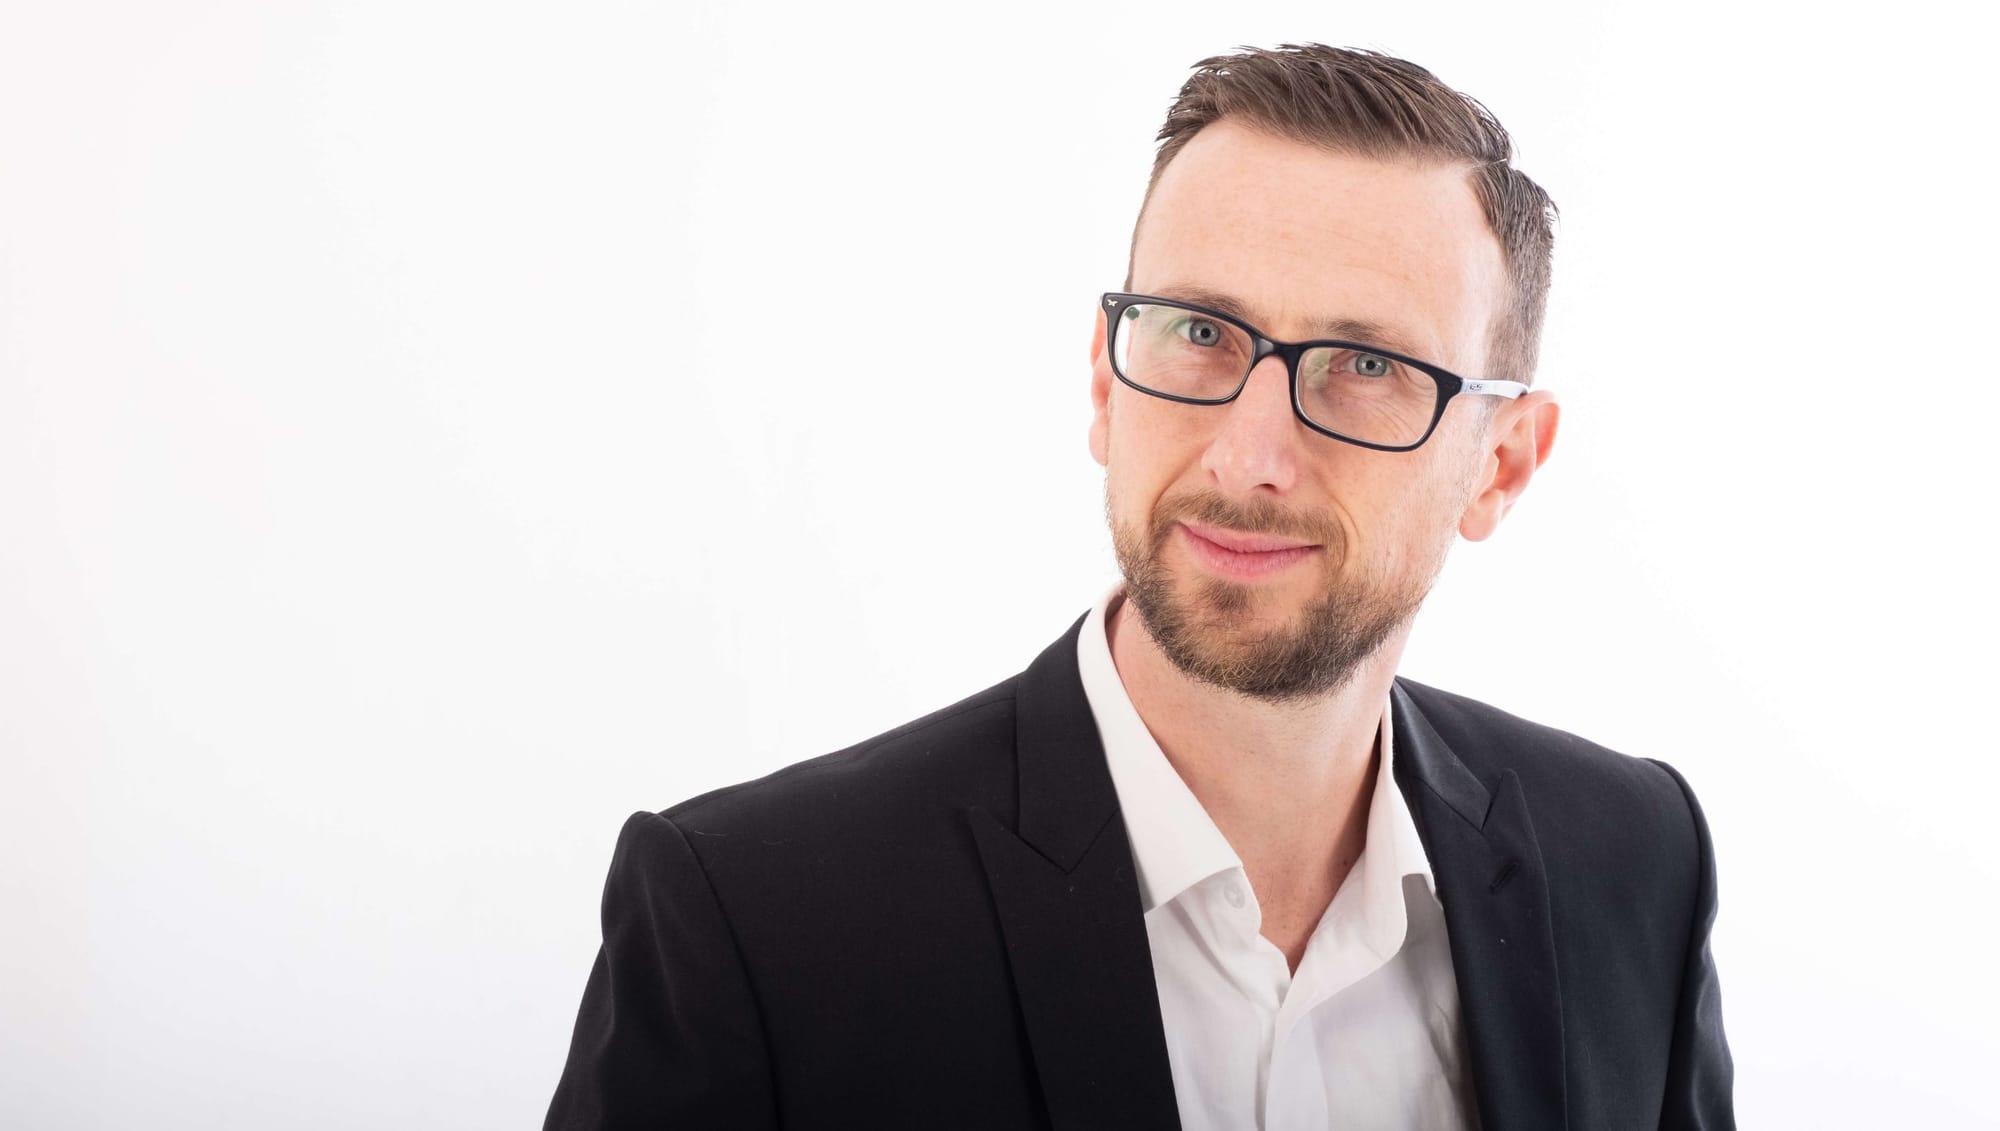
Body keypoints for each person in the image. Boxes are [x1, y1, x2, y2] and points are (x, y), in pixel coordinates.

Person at [543, 43, 1733, 1130]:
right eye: (1200, 335)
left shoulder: (1635, 862)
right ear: (1106, 391)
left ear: (1502, 463)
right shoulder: (753, 921)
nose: (1247, 456)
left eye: (1364, 365)